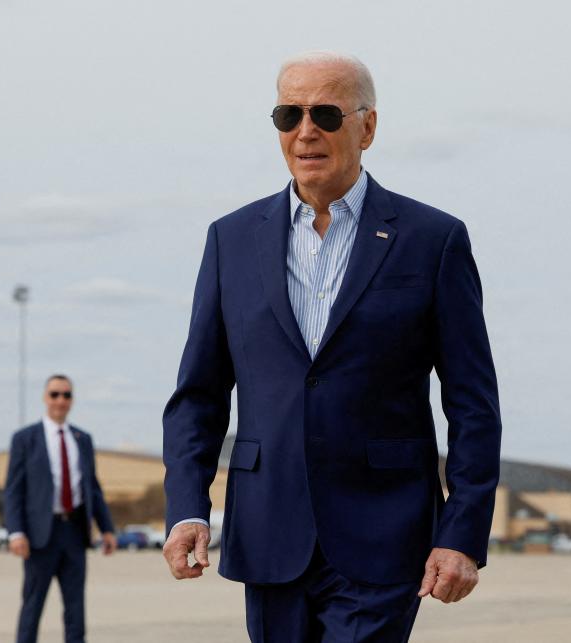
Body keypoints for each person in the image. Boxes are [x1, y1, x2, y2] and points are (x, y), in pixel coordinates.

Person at [162, 51, 502, 642]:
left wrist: (462, 531)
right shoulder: (231, 240)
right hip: (269, 529)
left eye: (325, 112)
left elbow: (472, 403)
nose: (305, 130)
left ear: (367, 127)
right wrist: (188, 507)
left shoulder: (433, 240)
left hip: (385, 531)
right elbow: (198, 394)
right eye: (288, 114)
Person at [4, 374, 117, 643]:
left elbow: (93, 488)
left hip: (75, 533)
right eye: (55, 394)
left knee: (76, 611)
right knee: (33, 606)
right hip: (40, 536)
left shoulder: (82, 439)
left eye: (66, 395)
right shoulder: (25, 439)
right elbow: (13, 490)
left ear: (72, 400)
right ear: (45, 398)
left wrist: (107, 528)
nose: (60, 400)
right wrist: (15, 532)